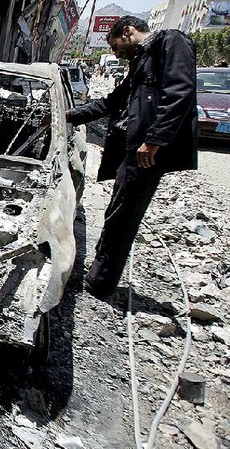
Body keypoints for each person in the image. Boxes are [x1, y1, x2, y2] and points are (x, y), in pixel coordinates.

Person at [66, 16, 198, 299]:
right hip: (134, 151)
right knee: (117, 211)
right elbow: (112, 101)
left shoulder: (171, 41)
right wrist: (68, 116)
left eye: (115, 46)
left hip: (147, 153)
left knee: (124, 217)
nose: (115, 54)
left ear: (127, 32)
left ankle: (99, 284)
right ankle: (97, 274)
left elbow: (180, 93)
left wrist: (154, 141)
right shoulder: (143, 60)